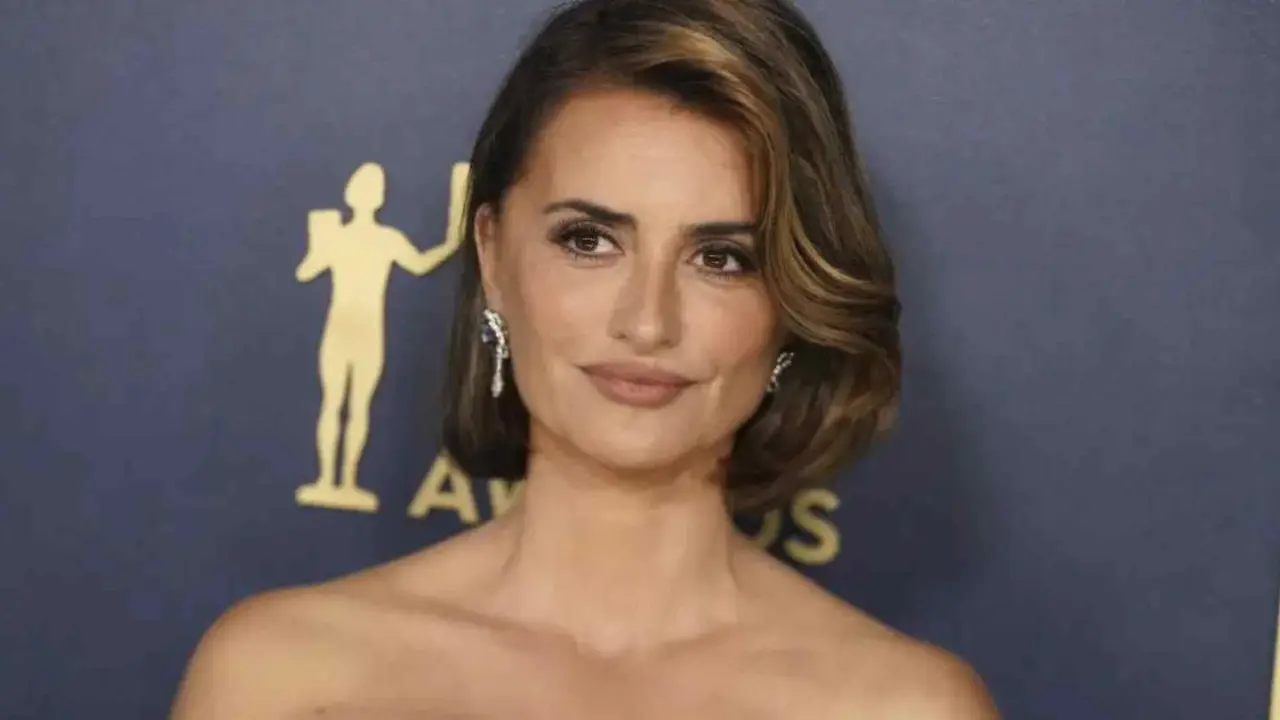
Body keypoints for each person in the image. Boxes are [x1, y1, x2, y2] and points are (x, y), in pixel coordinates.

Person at [172, 0, 1000, 717]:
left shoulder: (906, 708)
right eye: (589, 240)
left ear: (790, 302)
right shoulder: (278, 678)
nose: (647, 322)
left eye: (721, 258)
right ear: (493, 257)